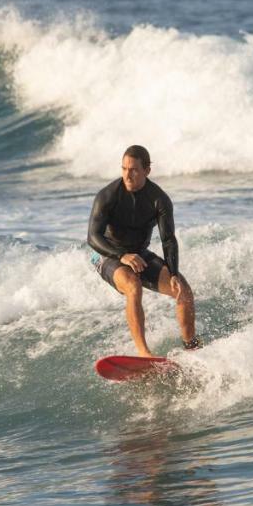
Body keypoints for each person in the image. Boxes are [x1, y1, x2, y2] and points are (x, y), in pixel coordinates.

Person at [88, 145, 200, 358]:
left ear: (147, 170)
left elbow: (168, 239)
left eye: (133, 170)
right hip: (107, 254)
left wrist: (174, 273)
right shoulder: (108, 195)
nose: (127, 175)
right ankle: (143, 353)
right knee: (133, 286)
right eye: (124, 169)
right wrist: (122, 256)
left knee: (183, 291)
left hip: (138, 254)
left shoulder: (159, 199)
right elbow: (92, 237)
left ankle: (192, 348)